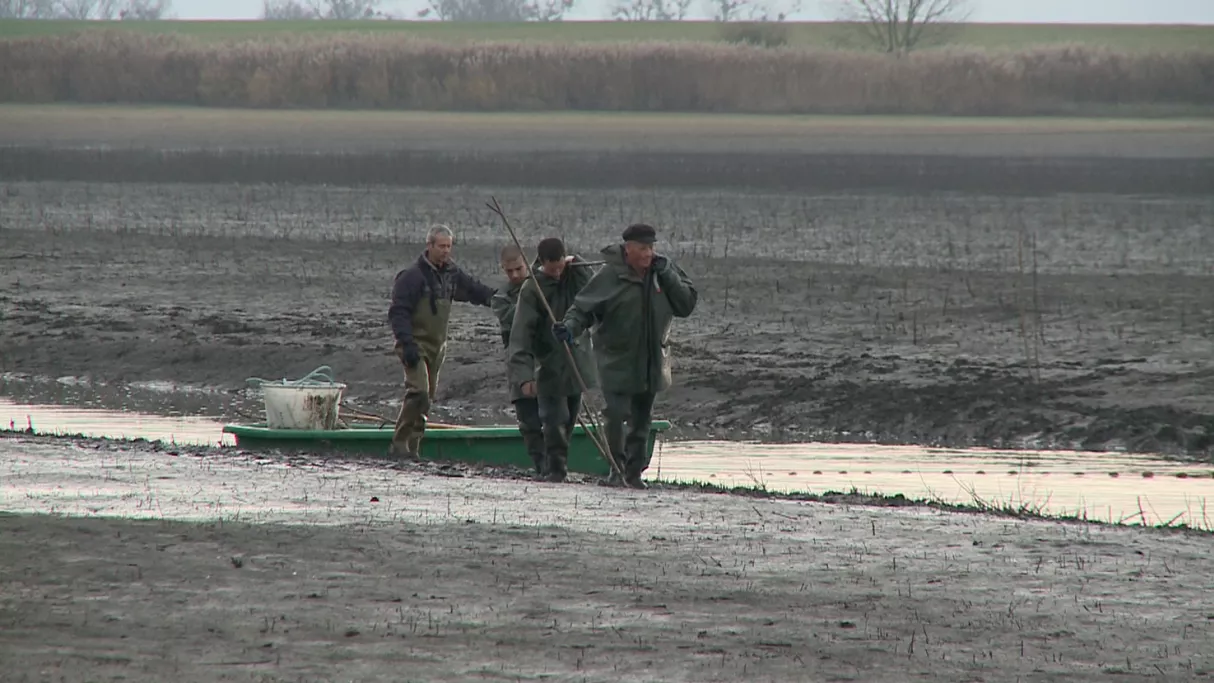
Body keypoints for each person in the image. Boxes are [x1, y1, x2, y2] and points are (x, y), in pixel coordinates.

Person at [553, 224, 697, 489]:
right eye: (642, 248)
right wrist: (569, 327)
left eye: (651, 248)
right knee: (616, 414)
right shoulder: (609, 275)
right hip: (615, 359)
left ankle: (634, 474)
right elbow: (582, 308)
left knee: (642, 419)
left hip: (651, 359)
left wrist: (667, 274)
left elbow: (686, 304)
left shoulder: (663, 271)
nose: (648, 254)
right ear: (627, 249)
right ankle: (616, 470)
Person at [387, 224, 496, 462]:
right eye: (441, 246)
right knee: (419, 392)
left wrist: (498, 298)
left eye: (449, 246)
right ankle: (399, 443)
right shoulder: (412, 276)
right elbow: (398, 312)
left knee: (427, 401)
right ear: (430, 246)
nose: (446, 251)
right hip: (414, 344)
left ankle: (413, 449)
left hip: (438, 347)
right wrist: (406, 344)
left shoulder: (452, 274)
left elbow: (475, 290)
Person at [507, 237, 598, 483]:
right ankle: (555, 471)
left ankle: (556, 467)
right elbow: (521, 336)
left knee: (569, 420)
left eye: (560, 267)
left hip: (575, 361)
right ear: (542, 263)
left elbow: (593, 294)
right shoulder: (532, 289)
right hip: (547, 365)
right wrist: (524, 377)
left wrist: (578, 264)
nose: (557, 274)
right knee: (553, 420)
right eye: (551, 269)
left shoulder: (574, 276)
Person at [490, 244, 547, 478]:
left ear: (527, 263)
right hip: (519, 362)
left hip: (547, 360)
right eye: (509, 271)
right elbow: (518, 319)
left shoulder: (543, 284)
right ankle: (540, 467)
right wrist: (533, 291)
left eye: (519, 269)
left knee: (555, 418)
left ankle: (556, 465)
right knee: (529, 422)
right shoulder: (501, 298)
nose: (514, 275)